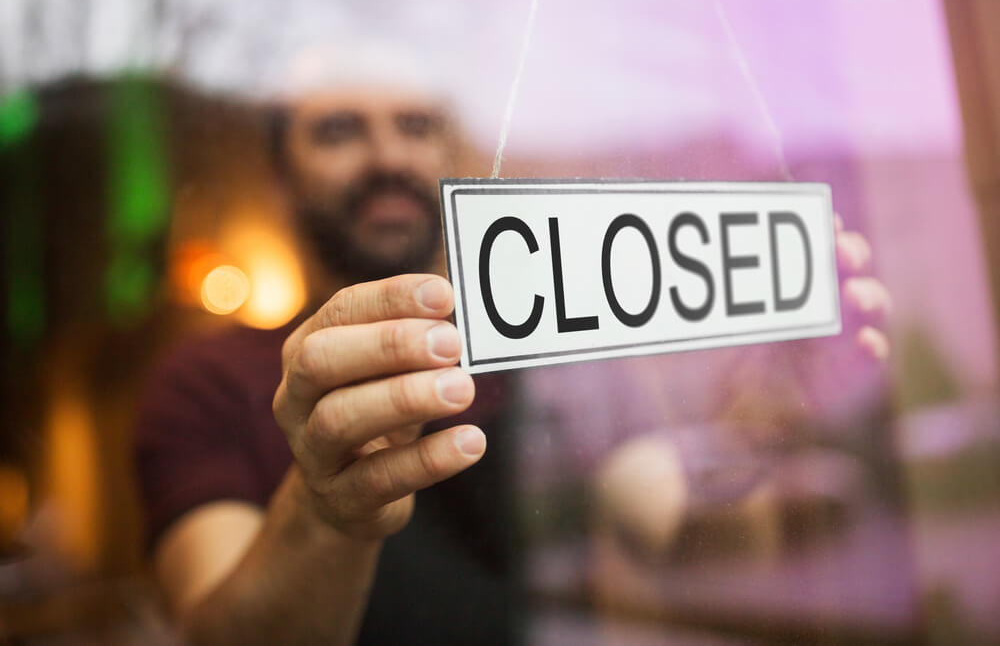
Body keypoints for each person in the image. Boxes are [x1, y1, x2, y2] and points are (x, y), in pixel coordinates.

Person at [136, 79, 891, 645]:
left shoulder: (550, 350)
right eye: (338, 130)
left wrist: (773, 411)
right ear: (281, 176)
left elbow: (660, 527)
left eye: (416, 124)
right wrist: (328, 505)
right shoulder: (205, 384)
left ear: (451, 154)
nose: (388, 156)